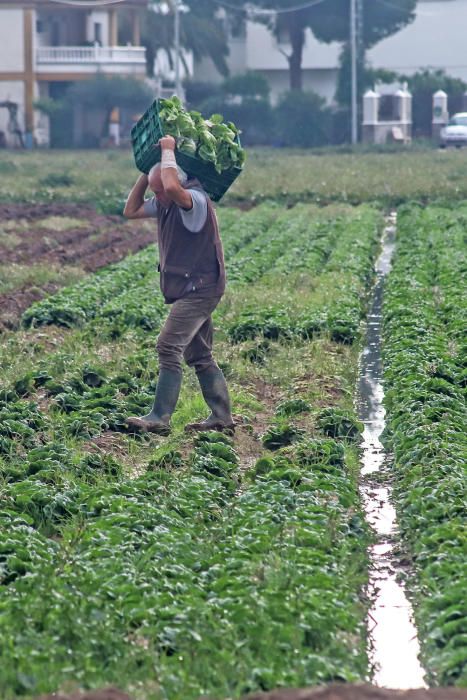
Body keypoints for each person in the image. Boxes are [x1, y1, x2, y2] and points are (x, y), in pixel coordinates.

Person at [123, 134, 234, 436]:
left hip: (201, 288)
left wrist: (168, 151)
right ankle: (221, 418)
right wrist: (148, 172)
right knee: (199, 355)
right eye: (155, 191)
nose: (156, 196)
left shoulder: (193, 200)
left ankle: (159, 417)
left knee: (168, 345)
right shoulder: (165, 203)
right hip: (190, 287)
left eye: (159, 190)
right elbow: (130, 210)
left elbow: (171, 185)